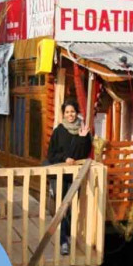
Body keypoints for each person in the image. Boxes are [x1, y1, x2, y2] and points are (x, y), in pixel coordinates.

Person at [46, 100, 92, 255]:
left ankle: (69, 236)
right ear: (63, 114)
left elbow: (83, 154)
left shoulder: (83, 129)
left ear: (77, 112)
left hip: (76, 176)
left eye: (72, 112)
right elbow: (51, 155)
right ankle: (63, 241)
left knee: (73, 208)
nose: (70, 115)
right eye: (67, 112)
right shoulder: (59, 131)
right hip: (60, 176)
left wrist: (83, 138)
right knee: (62, 208)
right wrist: (65, 158)